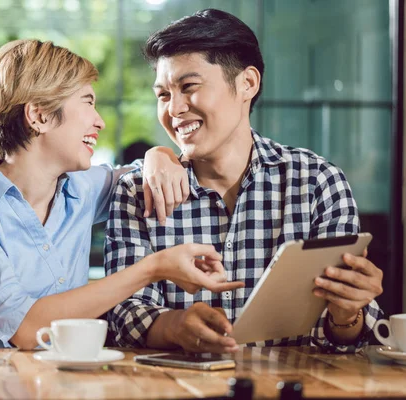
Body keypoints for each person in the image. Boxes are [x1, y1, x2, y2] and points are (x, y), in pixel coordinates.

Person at [0, 39, 243, 349]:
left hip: (66, 382)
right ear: (40, 116)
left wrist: (159, 153)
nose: (99, 121)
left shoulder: (84, 186)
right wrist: (154, 268)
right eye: (88, 102)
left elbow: (144, 171)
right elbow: (25, 329)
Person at [105, 9, 384, 354]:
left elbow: (350, 333)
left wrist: (347, 312)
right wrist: (176, 327)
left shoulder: (317, 183)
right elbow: (126, 314)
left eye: (188, 87)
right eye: (163, 95)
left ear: (247, 84)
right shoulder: (138, 190)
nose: (174, 109)